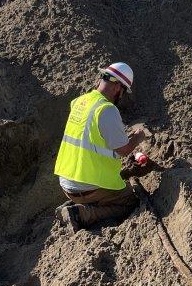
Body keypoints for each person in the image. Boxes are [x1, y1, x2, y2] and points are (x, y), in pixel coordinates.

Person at [54, 62, 147, 228]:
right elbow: (124, 150)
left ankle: (75, 204)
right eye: (123, 91)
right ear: (118, 87)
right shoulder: (107, 110)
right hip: (87, 187)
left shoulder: (79, 102)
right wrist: (138, 138)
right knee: (130, 202)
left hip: (66, 183)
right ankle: (82, 213)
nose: (122, 95)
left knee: (109, 187)